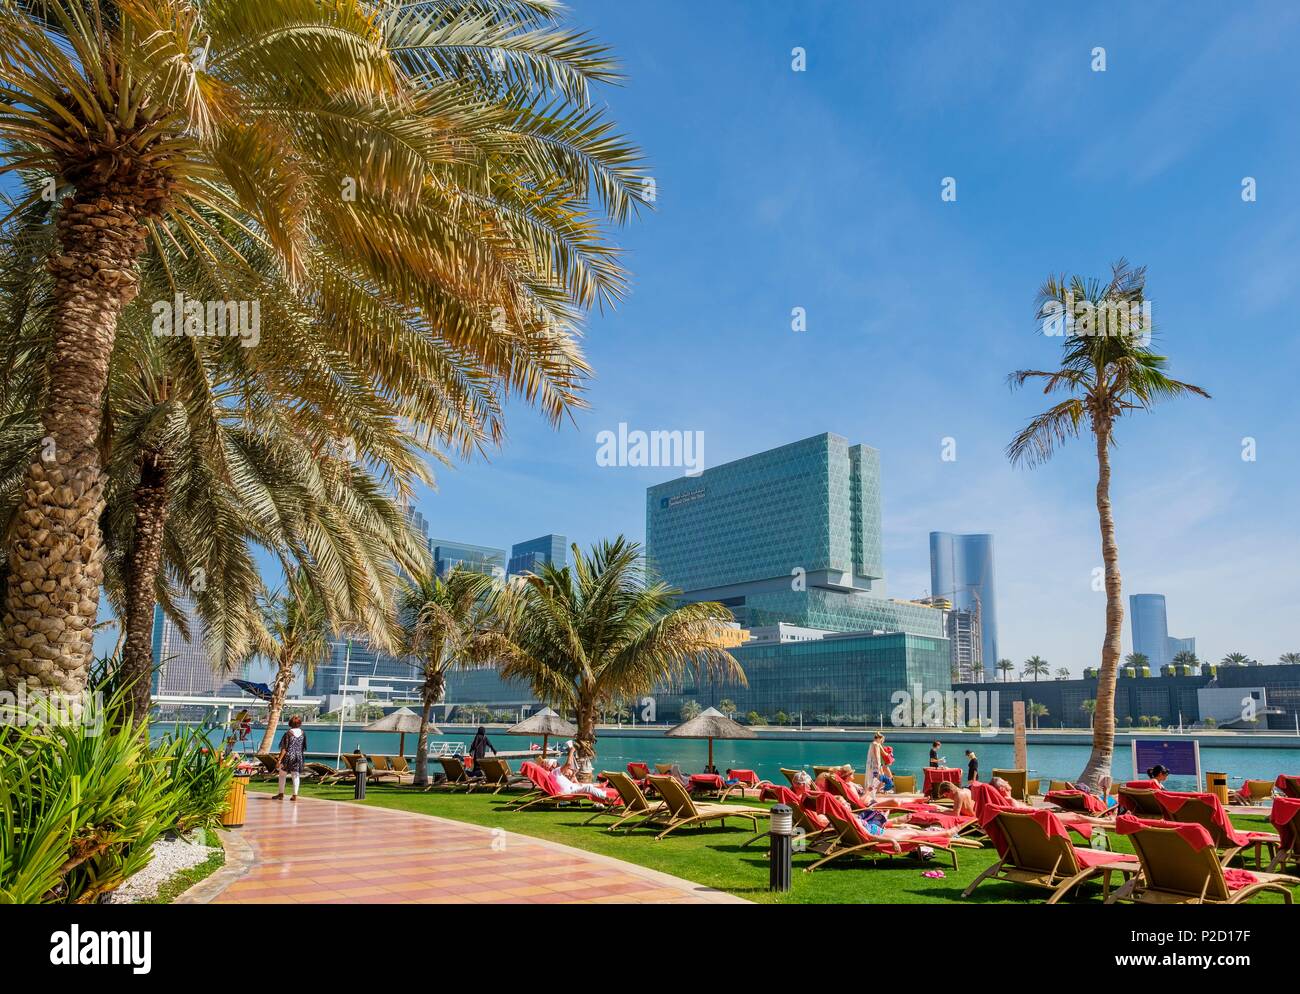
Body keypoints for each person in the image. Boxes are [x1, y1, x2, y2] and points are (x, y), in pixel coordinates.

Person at [273, 715, 307, 801]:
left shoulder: (288, 733)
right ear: (300, 723)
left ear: (290, 723)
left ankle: (281, 794)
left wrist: (279, 760)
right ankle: (295, 795)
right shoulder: (303, 733)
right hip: (298, 756)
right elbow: (303, 747)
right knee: (295, 775)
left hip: (288, 757)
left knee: (282, 775)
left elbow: (284, 748)